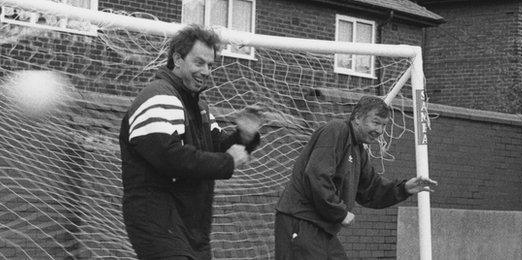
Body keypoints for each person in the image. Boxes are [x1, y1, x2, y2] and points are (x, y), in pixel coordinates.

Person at [119, 24, 263, 260]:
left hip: (193, 227)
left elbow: (217, 147)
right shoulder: (157, 96)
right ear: (177, 59)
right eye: (199, 63)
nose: (206, 71)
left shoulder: (199, 105)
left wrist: (244, 137)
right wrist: (228, 162)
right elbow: (171, 158)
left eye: (210, 65)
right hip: (159, 224)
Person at [274, 95, 437, 260]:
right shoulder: (336, 130)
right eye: (376, 122)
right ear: (358, 118)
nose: (380, 131)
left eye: (384, 125)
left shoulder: (358, 150)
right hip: (301, 221)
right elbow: (317, 175)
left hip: (322, 229)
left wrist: (404, 188)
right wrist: (339, 213)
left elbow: (371, 189)